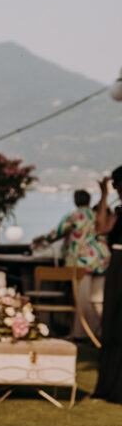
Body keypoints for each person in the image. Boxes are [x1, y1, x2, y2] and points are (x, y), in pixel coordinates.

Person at [32, 189, 109, 338]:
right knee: (96, 301)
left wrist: (41, 239)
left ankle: (81, 333)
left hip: (82, 260)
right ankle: (96, 332)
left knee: (82, 299)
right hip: (101, 260)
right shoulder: (96, 215)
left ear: (75, 201)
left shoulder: (74, 216)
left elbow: (56, 233)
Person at [94, 167, 122, 403]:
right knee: (112, 320)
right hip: (117, 266)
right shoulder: (118, 212)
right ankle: (109, 384)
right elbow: (101, 229)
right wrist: (103, 197)